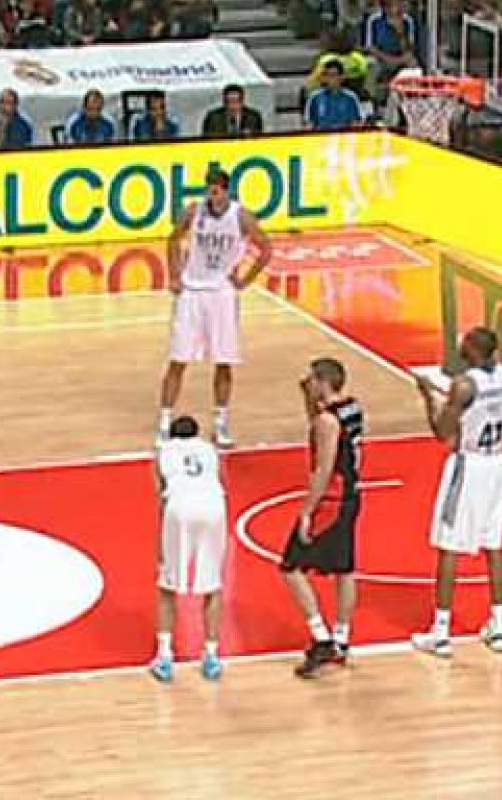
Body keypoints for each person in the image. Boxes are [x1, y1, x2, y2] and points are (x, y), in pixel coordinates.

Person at [408, 327, 502, 658]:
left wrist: (429, 396)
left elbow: (442, 433)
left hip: (468, 465)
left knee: (449, 546)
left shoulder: (464, 385)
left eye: (464, 342)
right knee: (494, 546)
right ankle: (498, 627)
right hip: (497, 463)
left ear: (472, 350)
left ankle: (440, 633)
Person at [158, 170, 272, 447]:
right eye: (209, 190)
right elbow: (173, 239)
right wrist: (174, 275)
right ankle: (164, 421)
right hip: (193, 292)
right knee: (178, 359)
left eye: (217, 190)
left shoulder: (241, 216)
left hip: (222, 293)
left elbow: (265, 249)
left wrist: (245, 278)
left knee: (224, 361)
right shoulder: (194, 212)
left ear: (227, 191)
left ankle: (220, 422)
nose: (213, 195)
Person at [281, 357, 366, 679]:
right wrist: (307, 399)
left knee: (290, 566)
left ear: (322, 381)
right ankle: (342, 641)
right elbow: (317, 427)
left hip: (331, 498)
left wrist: (306, 511)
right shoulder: (352, 407)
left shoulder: (327, 422)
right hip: (352, 495)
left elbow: (323, 466)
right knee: (345, 569)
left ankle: (321, 637)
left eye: (311, 380)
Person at [148, 415, 228, 683]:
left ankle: (164, 655)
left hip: (180, 508)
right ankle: (212, 655)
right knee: (212, 585)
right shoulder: (210, 450)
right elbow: (222, 484)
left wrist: (161, 542)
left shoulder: (163, 452)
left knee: (168, 584)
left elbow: (161, 496)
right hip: (213, 508)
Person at [304, 59, 364, 130]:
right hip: (322, 137)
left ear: (342, 77)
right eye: (327, 75)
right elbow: (309, 125)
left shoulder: (351, 97)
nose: (330, 79)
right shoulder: (314, 97)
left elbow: (356, 123)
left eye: (333, 75)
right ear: (324, 78)